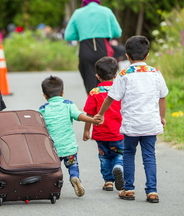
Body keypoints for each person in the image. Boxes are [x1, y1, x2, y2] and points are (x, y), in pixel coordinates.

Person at [96, 36, 169, 203]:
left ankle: (128, 189)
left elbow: (111, 97)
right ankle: (152, 191)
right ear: (147, 56)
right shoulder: (155, 73)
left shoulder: (124, 74)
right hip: (150, 123)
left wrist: (101, 113)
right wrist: (162, 117)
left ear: (127, 56)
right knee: (149, 156)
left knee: (128, 154)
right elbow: (162, 97)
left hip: (131, 125)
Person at [38, 75, 101, 197]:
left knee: (54, 169)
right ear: (62, 93)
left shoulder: (43, 110)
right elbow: (79, 116)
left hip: (51, 149)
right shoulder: (68, 105)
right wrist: (92, 120)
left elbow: (36, 126)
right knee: (73, 164)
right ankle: (75, 177)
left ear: (44, 95)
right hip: (68, 148)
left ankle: (55, 187)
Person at [83, 57, 124, 191]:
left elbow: (89, 114)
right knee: (119, 154)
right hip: (118, 133)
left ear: (97, 76)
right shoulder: (120, 91)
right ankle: (118, 166)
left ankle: (108, 182)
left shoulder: (94, 92)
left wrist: (86, 131)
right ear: (116, 75)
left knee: (104, 157)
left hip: (100, 134)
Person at [64, 0, 122, 94]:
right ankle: (105, 105)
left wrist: (83, 34)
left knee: (89, 83)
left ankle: (92, 105)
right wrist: (106, 32)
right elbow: (118, 32)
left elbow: (68, 35)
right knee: (106, 81)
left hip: (85, 48)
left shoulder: (78, 13)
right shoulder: (106, 11)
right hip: (103, 48)